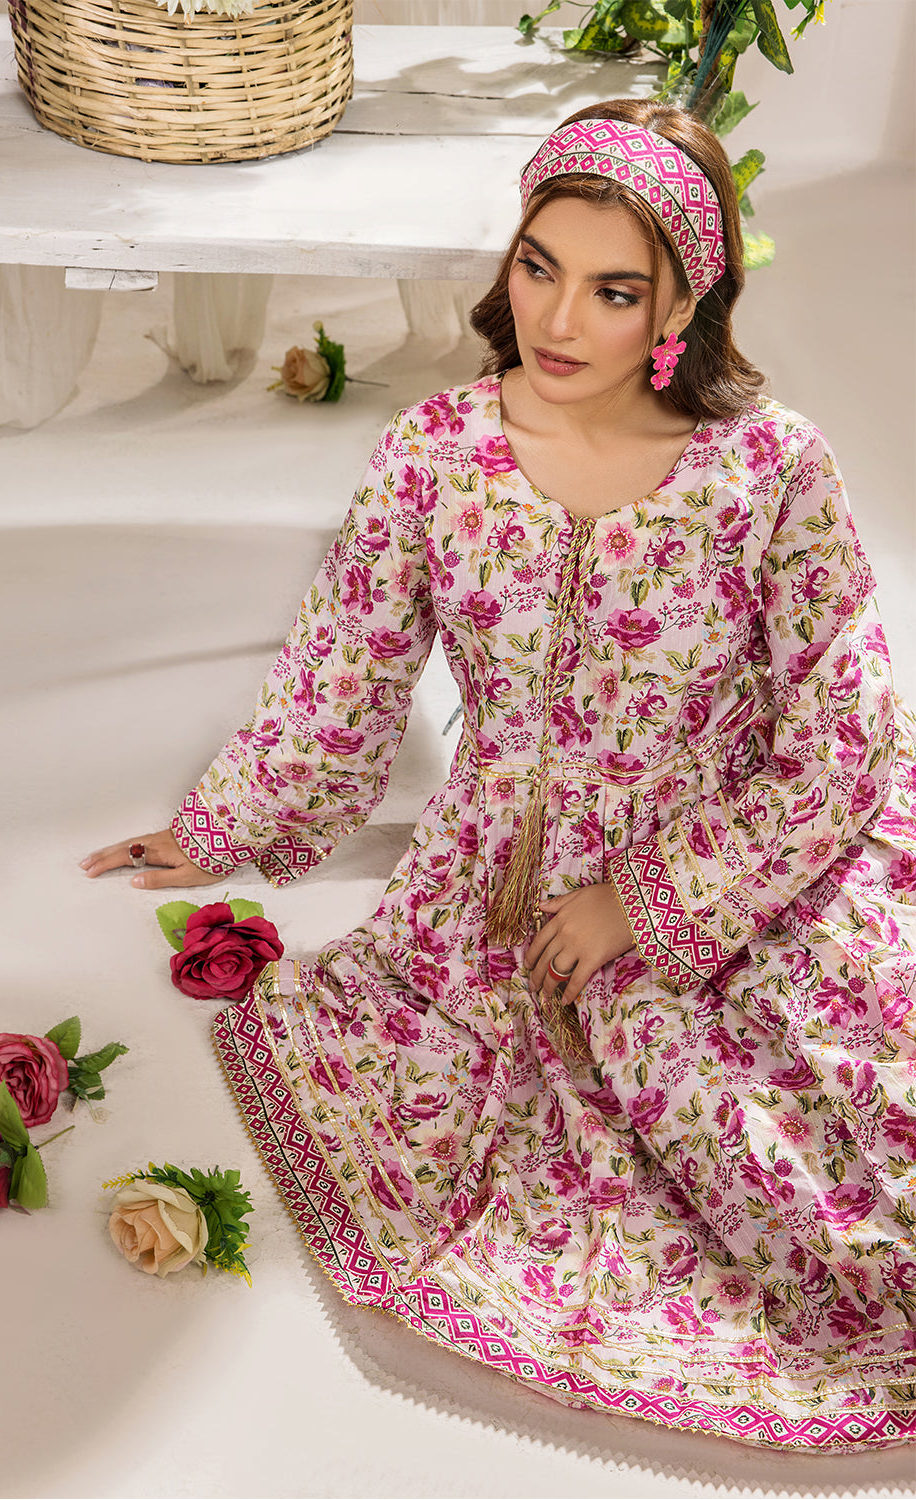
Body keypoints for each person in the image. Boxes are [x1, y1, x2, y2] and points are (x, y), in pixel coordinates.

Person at [81, 100, 916, 1449]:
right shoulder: (438, 455)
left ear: (684, 305)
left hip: (726, 867)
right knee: (503, 1130)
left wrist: (648, 904)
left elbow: (847, 733)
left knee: (821, 1155)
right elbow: (348, 668)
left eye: (615, 291)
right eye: (539, 265)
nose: (560, 320)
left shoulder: (769, 469)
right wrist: (225, 826)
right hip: (490, 894)